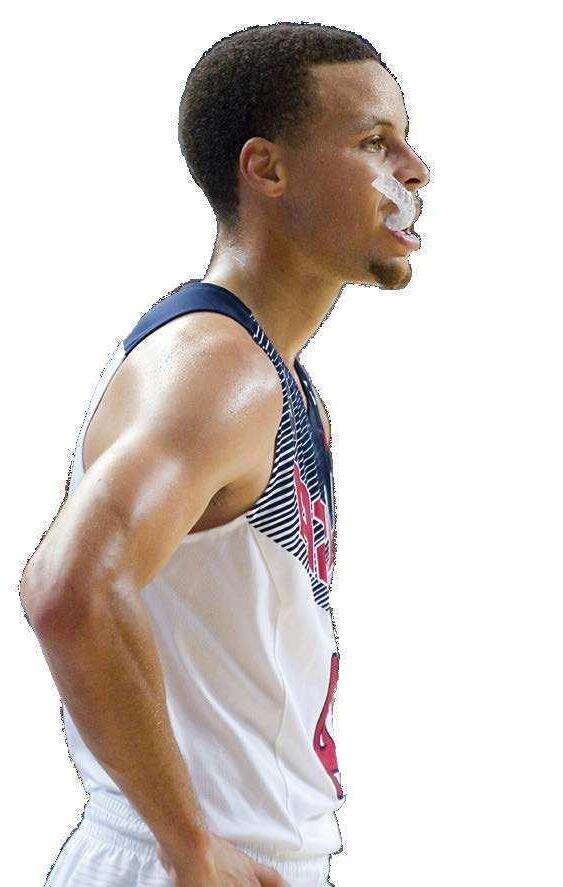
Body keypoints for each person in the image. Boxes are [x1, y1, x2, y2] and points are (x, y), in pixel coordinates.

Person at [19, 21, 429, 887]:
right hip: (179, 863)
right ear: (266, 170)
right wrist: (189, 844)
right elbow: (68, 587)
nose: (414, 170)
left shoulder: (271, 374)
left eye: (405, 141)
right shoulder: (220, 369)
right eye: (373, 142)